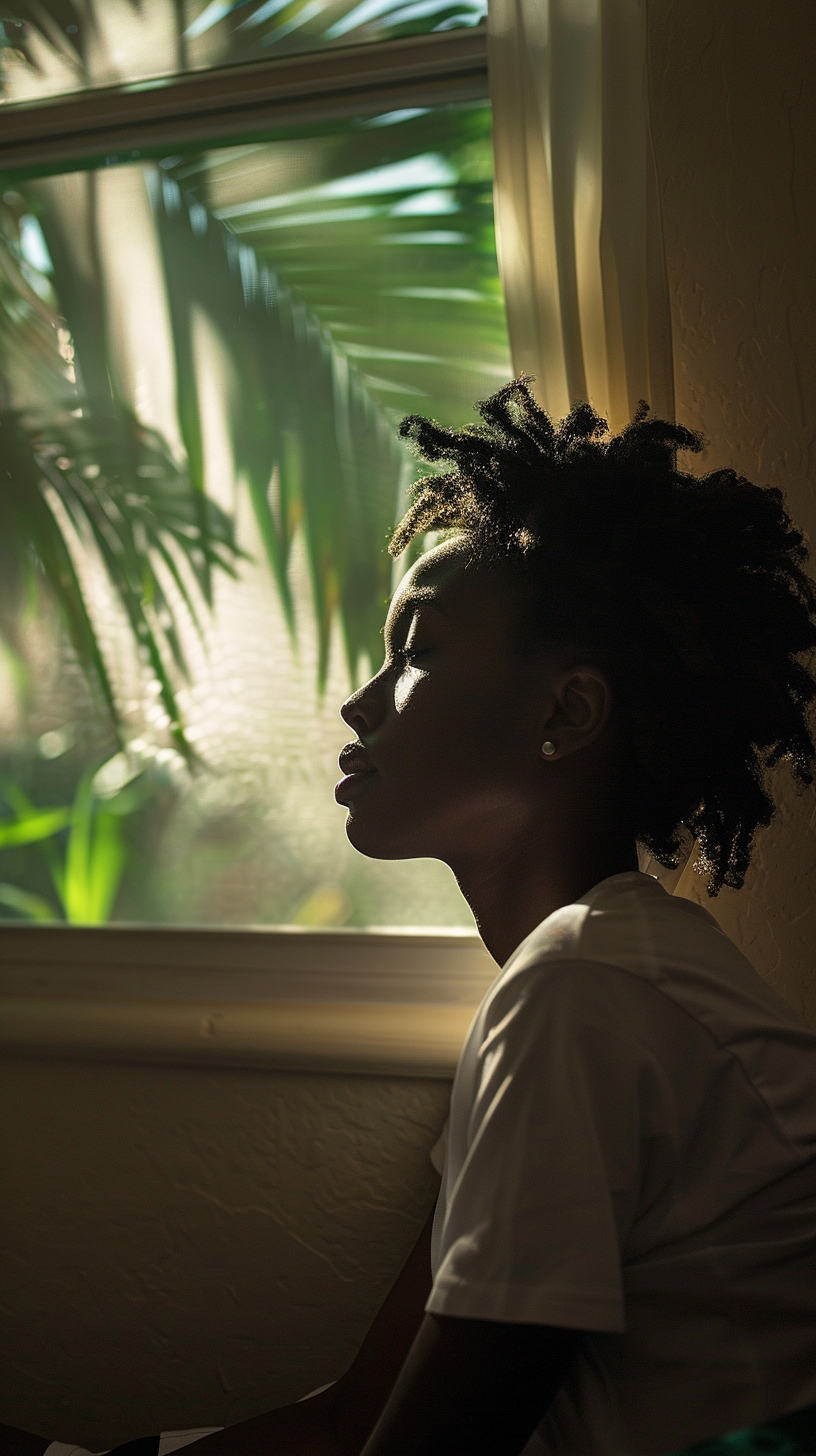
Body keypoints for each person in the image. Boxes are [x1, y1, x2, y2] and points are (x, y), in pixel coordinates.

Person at [6, 378, 816, 1456]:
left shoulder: (583, 991)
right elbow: (356, 1418)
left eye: (417, 647)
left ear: (565, 713)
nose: (361, 699)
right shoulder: (585, 976)